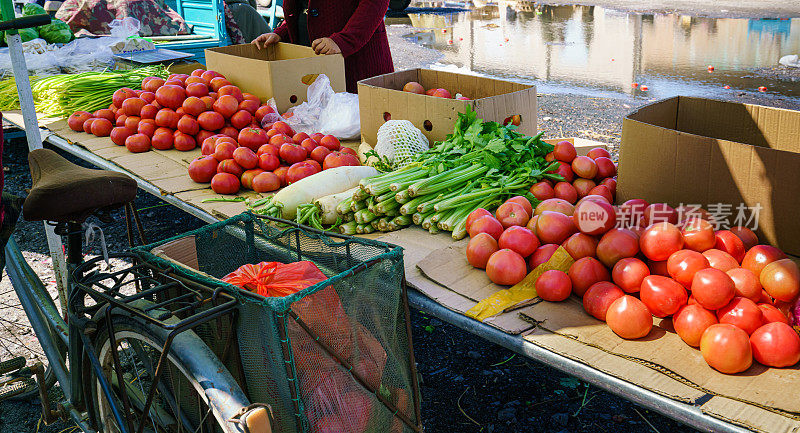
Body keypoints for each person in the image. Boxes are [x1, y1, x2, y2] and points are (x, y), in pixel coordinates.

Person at [251, 0, 394, 93]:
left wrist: (344, 40)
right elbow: (302, 7)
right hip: (311, 59)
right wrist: (282, 33)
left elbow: (375, 3)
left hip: (356, 61)